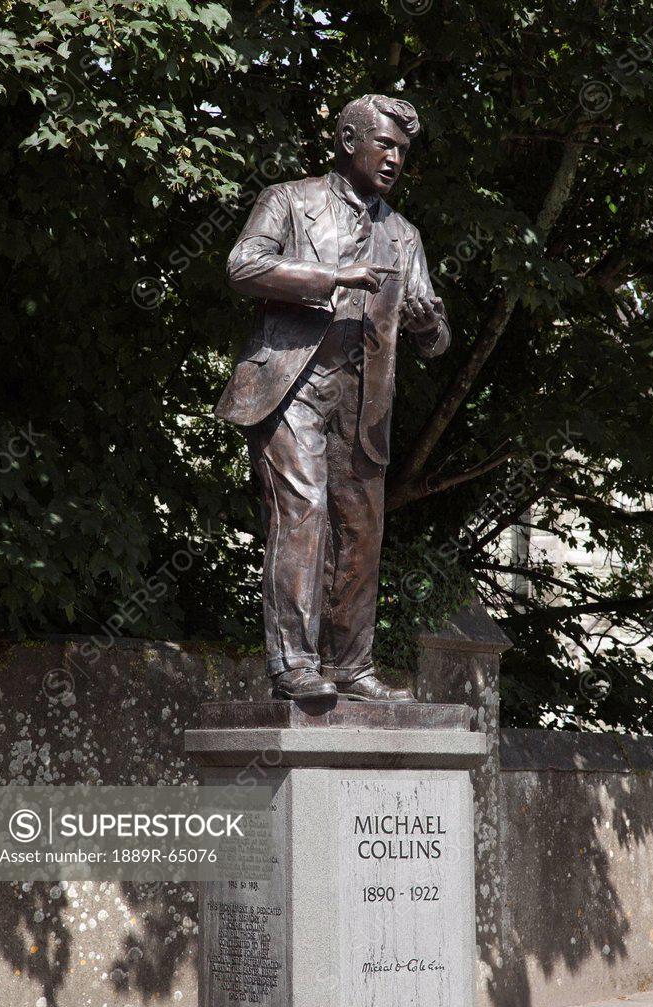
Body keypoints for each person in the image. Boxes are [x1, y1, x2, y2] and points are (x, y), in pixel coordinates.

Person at [215, 95, 451, 702]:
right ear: (349, 141)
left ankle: (351, 666)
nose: (395, 159)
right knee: (303, 511)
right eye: (385, 144)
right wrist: (330, 277)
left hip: (364, 401)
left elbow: (437, 342)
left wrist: (428, 321)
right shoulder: (291, 200)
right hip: (290, 384)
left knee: (362, 531)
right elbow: (243, 266)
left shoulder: (403, 235)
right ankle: (294, 663)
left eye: (403, 151)